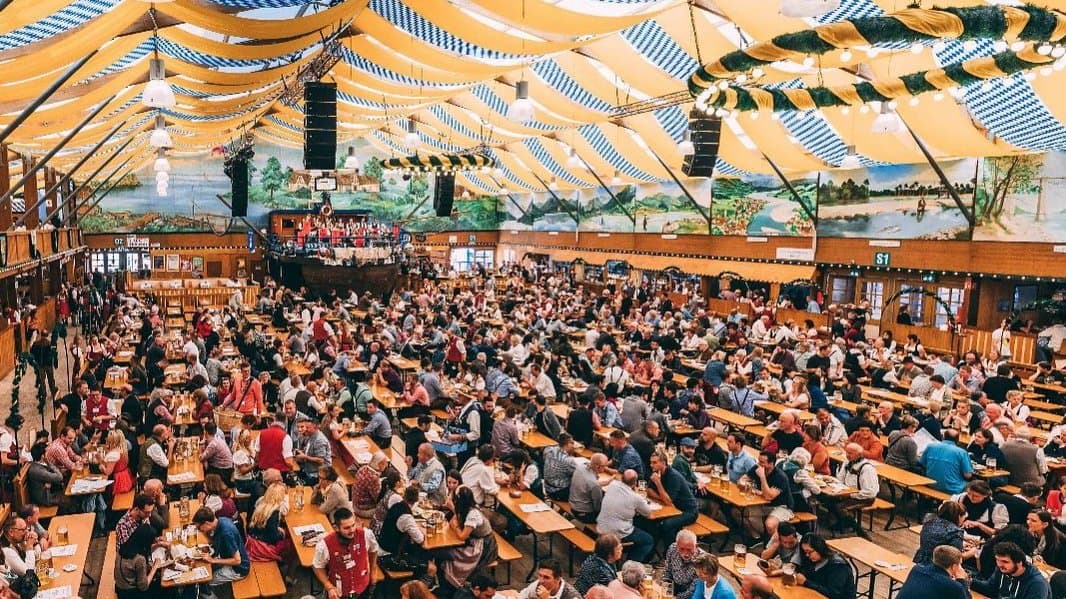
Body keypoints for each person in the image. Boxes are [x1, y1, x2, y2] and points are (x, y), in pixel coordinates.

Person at [438, 487, 497, 591]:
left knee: (451, 555)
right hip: (473, 540)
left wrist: (455, 526)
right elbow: (455, 521)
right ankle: (444, 581)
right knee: (446, 552)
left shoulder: (473, 515)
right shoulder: (467, 509)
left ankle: (452, 584)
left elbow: (462, 536)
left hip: (483, 546)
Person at [312, 507, 378, 599]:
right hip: (339, 593)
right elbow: (317, 566)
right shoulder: (325, 545)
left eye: (353, 525)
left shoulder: (366, 535)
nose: (352, 530)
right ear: (336, 528)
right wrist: (329, 587)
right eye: (346, 528)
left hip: (363, 589)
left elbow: (373, 549)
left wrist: (373, 570)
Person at [597, 469, 654, 562]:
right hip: (617, 532)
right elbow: (649, 515)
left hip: (602, 526)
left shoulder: (613, 485)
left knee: (636, 526)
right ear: (635, 482)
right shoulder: (635, 498)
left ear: (622, 478)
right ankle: (631, 564)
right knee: (648, 540)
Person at [191, 506, 251, 596]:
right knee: (203, 570)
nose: (199, 530)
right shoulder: (220, 521)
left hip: (239, 569)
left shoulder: (226, 533)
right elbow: (213, 541)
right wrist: (204, 532)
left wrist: (213, 560)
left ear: (207, 523)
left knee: (206, 581)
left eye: (199, 527)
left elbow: (237, 560)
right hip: (225, 557)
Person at [971, 541, 1052, 599]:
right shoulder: (1002, 570)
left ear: (1019, 563)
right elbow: (990, 589)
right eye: (997, 560)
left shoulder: (1037, 584)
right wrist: (969, 580)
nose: (999, 564)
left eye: (1005, 561)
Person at [649, 451, 699, 543]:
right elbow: (649, 491)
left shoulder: (673, 476)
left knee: (666, 525)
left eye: (654, 463)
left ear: (663, 463)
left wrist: (658, 484)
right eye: (651, 462)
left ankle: (670, 551)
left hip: (688, 511)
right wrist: (662, 497)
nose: (651, 465)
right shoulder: (657, 472)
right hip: (674, 509)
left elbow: (668, 501)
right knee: (652, 522)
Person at [897, 545, 972, 599]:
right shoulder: (954, 586)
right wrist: (962, 580)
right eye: (960, 564)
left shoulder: (916, 569)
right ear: (954, 566)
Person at [795, 534, 855, 599]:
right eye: (805, 552)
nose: (807, 555)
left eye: (809, 552)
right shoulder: (812, 559)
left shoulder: (838, 566)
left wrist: (806, 582)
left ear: (819, 548)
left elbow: (833, 594)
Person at [914, 500, 973, 565]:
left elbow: (937, 540)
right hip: (938, 566)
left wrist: (961, 541)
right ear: (959, 516)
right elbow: (956, 557)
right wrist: (972, 552)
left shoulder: (929, 521)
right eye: (964, 518)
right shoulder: (956, 532)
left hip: (920, 560)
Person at [115, 523, 165, 599]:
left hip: (120, 589)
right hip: (131, 594)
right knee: (164, 587)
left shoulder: (124, 547)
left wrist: (159, 544)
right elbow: (143, 587)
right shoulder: (139, 559)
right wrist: (155, 567)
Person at [921, 429, 974, 494]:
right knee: (974, 486)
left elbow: (922, 463)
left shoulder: (930, 446)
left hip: (930, 484)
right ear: (958, 440)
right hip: (953, 489)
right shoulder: (961, 452)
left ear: (943, 437)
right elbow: (968, 475)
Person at [664, 530, 705, 599]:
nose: (685, 554)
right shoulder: (672, 549)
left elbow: (694, 589)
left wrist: (676, 597)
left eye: (689, 550)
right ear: (677, 545)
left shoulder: (702, 560)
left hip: (692, 593)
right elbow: (667, 570)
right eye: (682, 549)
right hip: (674, 585)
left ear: (696, 546)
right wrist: (666, 588)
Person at [570, 453, 609, 523]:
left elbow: (587, 485)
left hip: (573, 506)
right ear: (597, 467)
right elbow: (597, 507)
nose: (605, 468)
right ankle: (590, 532)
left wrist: (602, 483)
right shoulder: (594, 484)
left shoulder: (581, 467)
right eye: (604, 466)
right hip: (585, 514)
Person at [542, 433, 577, 501]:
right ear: (568, 444)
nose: (574, 446)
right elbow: (578, 474)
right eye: (572, 443)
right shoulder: (568, 460)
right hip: (559, 492)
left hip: (547, 487)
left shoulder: (548, 450)